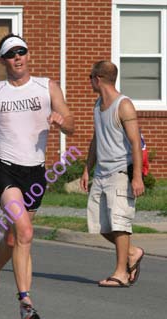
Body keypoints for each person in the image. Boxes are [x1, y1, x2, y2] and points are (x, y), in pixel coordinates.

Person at [0, 33, 74, 319]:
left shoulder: (47, 87)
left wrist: (63, 123)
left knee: (14, 237)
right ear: (2, 60)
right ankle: (25, 302)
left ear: (28, 56)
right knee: (25, 232)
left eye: (21, 52)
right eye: (11, 53)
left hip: (36, 175)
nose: (17, 57)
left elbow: (72, 123)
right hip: (6, 172)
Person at [80, 60, 145, 287]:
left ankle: (121, 273)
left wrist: (137, 176)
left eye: (90, 77)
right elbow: (96, 138)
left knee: (119, 224)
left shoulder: (123, 105)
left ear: (97, 79)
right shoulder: (98, 105)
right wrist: (87, 169)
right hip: (101, 173)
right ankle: (132, 252)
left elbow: (136, 143)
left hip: (120, 172)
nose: (89, 81)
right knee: (98, 224)